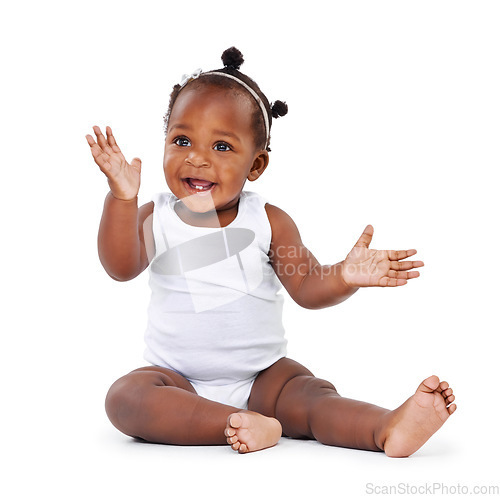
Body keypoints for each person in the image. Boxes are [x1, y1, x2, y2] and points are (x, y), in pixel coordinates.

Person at [85, 47, 456, 456]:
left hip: (265, 379)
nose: (197, 157)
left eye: (222, 147)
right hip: (176, 380)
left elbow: (309, 286)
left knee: (313, 399)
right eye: (182, 139)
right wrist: (122, 198)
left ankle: (386, 428)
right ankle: (232, 424)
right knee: (125, 398)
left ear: (256, 165)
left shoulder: (268, 221)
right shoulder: (155, 215)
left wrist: (345, 275)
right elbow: (120, 267)